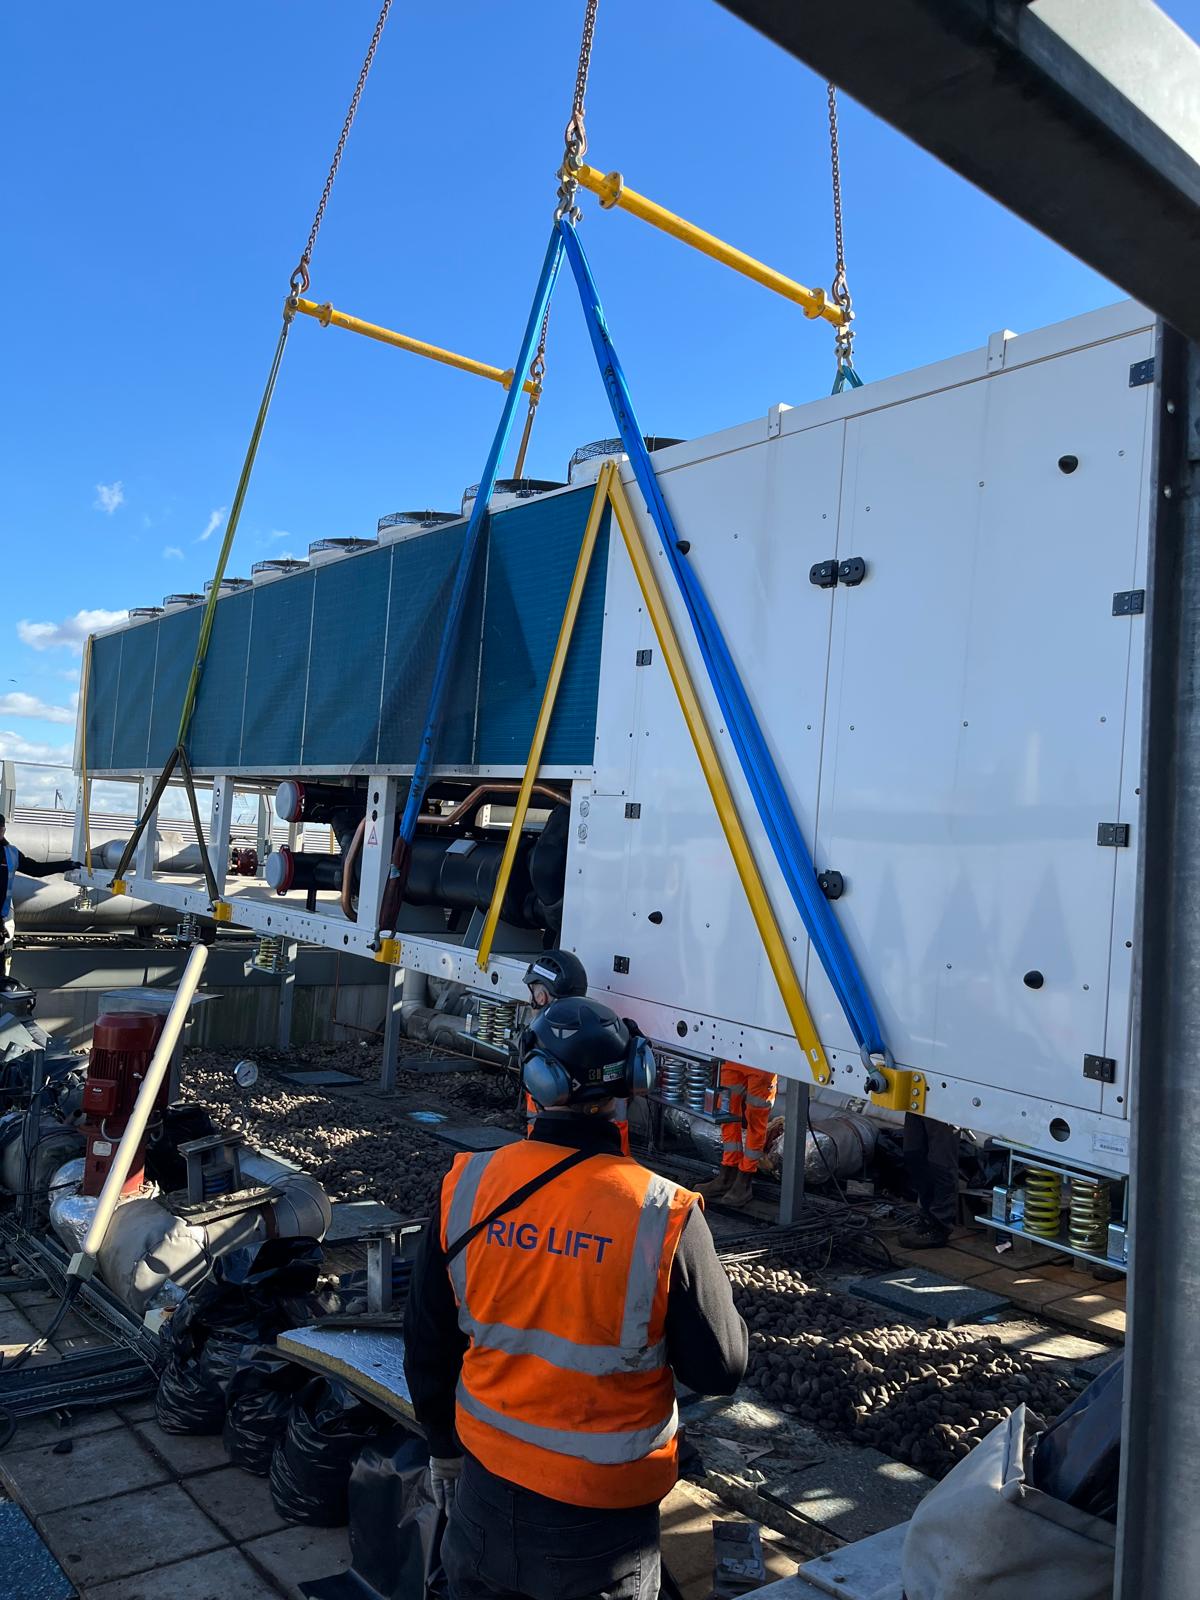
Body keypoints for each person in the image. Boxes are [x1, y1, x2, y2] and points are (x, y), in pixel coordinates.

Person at [404, 994, 748, 1600]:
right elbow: (721, 1369)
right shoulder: (663, 1214)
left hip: (484, 1490)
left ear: (535, 1079)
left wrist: (441, 1448)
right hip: (603, 1524)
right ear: (635, 1078)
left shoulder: (468, 1185)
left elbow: (427, 1337)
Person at [513, 950, 633, 1157]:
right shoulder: (606, 1033)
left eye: (533, 991)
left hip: (546, 1154)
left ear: (541, 996)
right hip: (614, 1158)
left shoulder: (542, 1045)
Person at [0, 814, 79, 981]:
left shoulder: (11, 853)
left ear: (3, 830)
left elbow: (35, 869)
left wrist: (65, 865)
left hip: (3, 917)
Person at [696, 1059, 778, 1209]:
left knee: (756, 1119)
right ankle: (727, 1173)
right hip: (733, 1056)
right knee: (726, 1111)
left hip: (763, 1060)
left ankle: (745, 1180)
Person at [899, 1113, 961, 1248]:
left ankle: (940, 1226)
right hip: (918, 1104)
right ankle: (927, 1218)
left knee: (941, 1164)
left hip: (945, 1108)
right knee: (914, 1155)